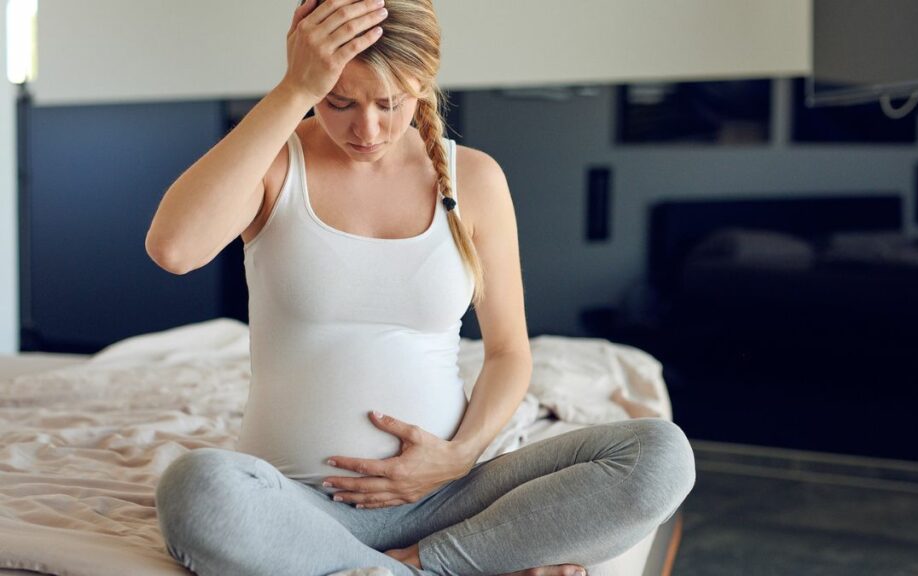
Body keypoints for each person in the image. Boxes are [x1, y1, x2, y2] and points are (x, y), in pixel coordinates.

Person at [145, 0, 696, 574]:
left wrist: (457, 458)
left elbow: (509, 354)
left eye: (391, 103)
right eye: (340, 101)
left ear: (425, 84)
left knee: (660, 456)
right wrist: (292, 90)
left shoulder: (475, 178)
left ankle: (417, 563)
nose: (368, 128)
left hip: (451, 498)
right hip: (299, 504)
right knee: (197, 487)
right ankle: (439, 569)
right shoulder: (275, 164)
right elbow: (175, 250)